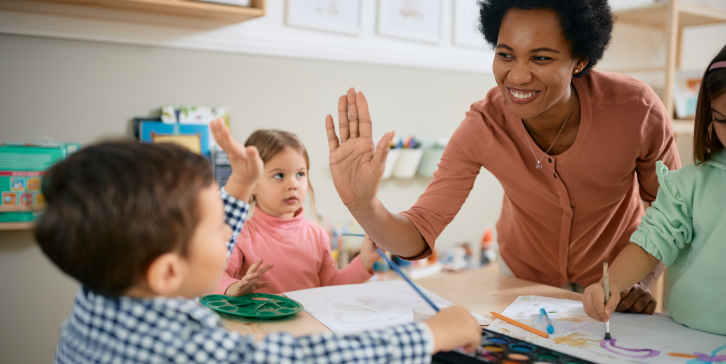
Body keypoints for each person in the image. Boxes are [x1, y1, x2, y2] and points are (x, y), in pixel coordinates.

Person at [325, 0, 681, 313]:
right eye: (506, 54)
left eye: (541, 58)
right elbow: (417, 234)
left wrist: (636, 280)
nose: (518, 75)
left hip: (615, 279)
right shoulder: (484, 126)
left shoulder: (636, 110)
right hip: (523, 279)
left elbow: (673, 212)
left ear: (580, 60)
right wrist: (363, 204)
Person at [35, 118, 481, 363]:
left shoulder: (99, 297)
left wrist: (236, 187)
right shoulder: (183, 349)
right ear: (168, 271)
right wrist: (425, 336)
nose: (231, 228)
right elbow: (306, 358)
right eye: (218, 226)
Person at [582, 29, 726, 337]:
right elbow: (649, 245)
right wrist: (611, 285)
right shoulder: (689, 185)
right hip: (684, 338)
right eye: (722, 120)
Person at [213, 129, 380, 296]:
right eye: (279, 175)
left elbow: (331, 286)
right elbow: (218, 277)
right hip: (260, 323)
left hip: (311, 322)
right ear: (253, 184)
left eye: (300, 174)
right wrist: (233, 287)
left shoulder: (317, 235)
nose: (293, 184)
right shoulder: (240, 235)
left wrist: (365, 260)